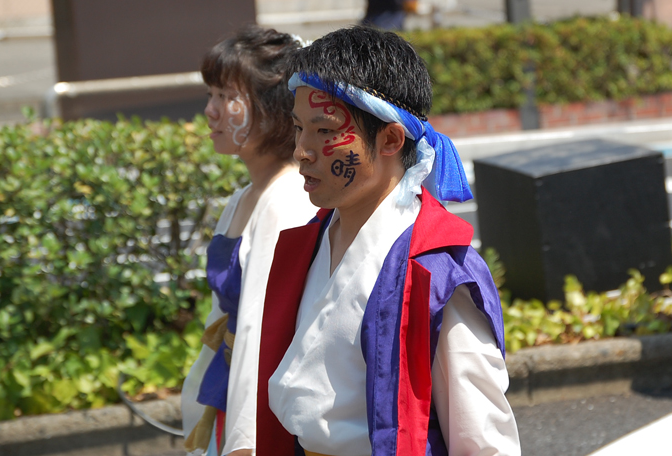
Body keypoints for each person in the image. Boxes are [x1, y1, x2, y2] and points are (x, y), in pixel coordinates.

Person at [256, 26, 521, 456]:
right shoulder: (307, 243)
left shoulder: (435, 271)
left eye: (324, 132)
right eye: (299, 128)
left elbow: (483, 441)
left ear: (390, 139)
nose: (301, 151)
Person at [181, 26, 317, 456]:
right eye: (211, 95)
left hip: (265, 401)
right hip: (235, 384)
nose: (211, 111)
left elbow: (263, 335)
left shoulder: (288, 199)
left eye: (226, 97)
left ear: (273, 109)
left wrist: (245, 443)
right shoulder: (247, 196)